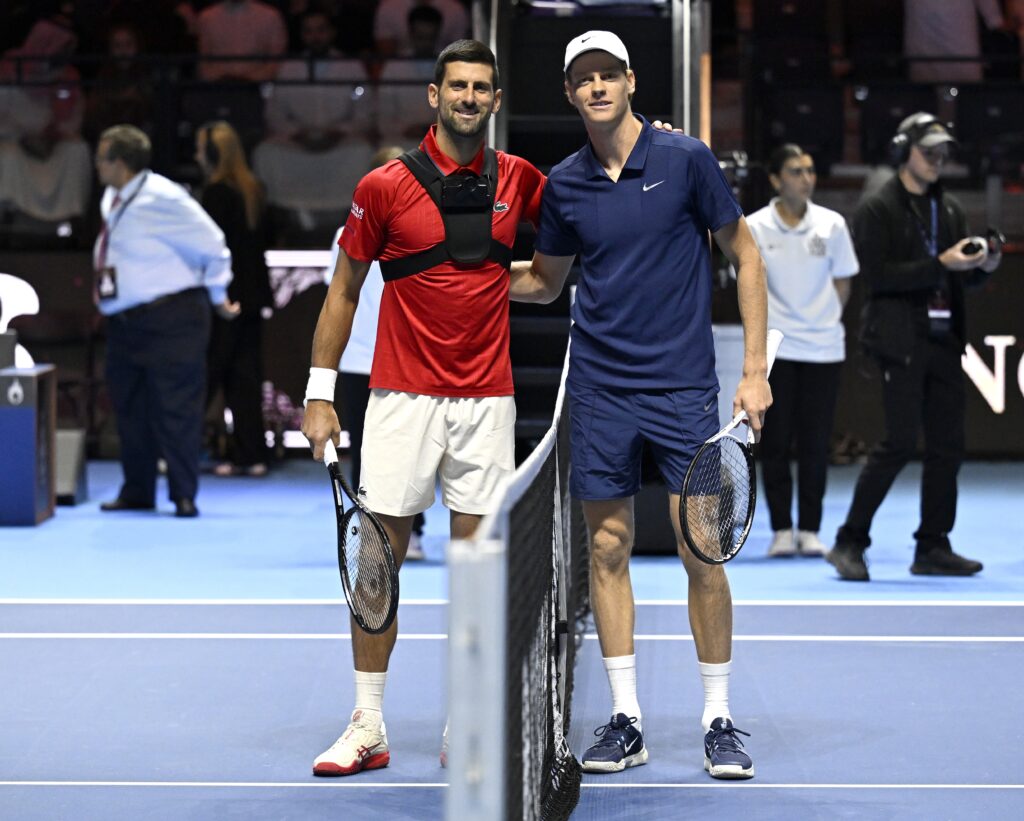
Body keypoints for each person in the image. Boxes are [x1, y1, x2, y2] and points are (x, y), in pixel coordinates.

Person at [509, 31, 770, 780]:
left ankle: (718, 717)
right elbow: (545, 282)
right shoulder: (564, 184)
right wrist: (455, 279)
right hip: (599, 391)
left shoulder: (686, 159)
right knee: (606, 548)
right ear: (569, 94)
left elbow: (746, 254)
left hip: (682, 389)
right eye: (582, 79)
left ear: (629, 80)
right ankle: (626, 719)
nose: (596, 87)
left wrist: (753, 370)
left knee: (702, 550)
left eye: (607, 74)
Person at [300, 39, 546, 776]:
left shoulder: (521, 179)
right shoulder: (383, 186)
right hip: (400, 399)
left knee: (477, 572)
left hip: (487, 402)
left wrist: (646, 140)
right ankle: (368, 723)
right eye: (458, 86)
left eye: (482, 87)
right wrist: (319, 393)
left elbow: (594, 207)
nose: (470, 97)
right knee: (377, 565)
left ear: (495, 99)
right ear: (434, 96)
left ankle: (466, 719)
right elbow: (343, 291)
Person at [827, 113, 1001, 581]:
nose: (938, 159)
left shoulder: (949, 208)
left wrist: (982, 267)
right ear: (904, 151)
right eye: (929, 151)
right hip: (899, 341)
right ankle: (849, 541)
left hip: (944, 341)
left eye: (943, 152)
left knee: (948, 445)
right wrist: (939, 263)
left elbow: (959, 278)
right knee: (899, 442)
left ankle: (933, 545)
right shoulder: (878, 207)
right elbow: (878, 277)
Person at [94, 124, 238, 518]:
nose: (96, 165)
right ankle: (137, 490)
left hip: (172, 318)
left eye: (102, 158)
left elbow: (214, 243)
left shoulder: (163, 196)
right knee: (130, 409)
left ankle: (183, 494)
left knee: (176, 409)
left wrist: (217, 294)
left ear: (121, 163)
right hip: (125, 321)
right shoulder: (113, 197)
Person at [745, 144, 859, 558]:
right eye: (796, 171)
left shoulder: (832, 225)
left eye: (810, 170)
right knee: (775, 444)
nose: (806, 178)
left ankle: (810, 529)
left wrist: (821, 320)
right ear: (776, 180)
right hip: (776, 350)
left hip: (823, 349)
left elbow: (843, 283)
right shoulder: (754, 226)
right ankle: (781, 529)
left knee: (815, 443)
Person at [325, 145, 427, 560]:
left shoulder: (426, 230)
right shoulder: (347, 232)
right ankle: (369, 533)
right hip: (358, 362)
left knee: (412, 452)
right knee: (366, 453)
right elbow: (337, 296)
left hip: (407, 363)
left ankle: (413, 532)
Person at [196, 121, 274, 477]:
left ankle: (178, 450)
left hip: (225, 297)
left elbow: (211, 250)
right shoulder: (253, 189)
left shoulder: (216, 193)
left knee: (208, 374)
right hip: (253, 296)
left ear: (213, 154)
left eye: (200, 148)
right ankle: (251, 455)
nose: (196, 155)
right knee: (245, 376)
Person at [253, 8, 374, 214]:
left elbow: (364, 112)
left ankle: (353, 213)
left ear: (332, 33)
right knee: (266, 152)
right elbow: (275, 113)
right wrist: (297, 133)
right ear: (302, 35)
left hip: (340, 142)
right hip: (297, 141)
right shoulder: (288, 68)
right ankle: (285, 212)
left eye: (321, 30)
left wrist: (339, 132)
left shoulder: (351, 66)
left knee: (362, 152)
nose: (315, 37)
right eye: (309, 31)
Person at [196, 0, 286, 82]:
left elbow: (276, 61)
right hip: (218, 86)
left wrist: (253, 79)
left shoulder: (270, 17)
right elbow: (203, 60)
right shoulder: (207, 18)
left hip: (258, 86)